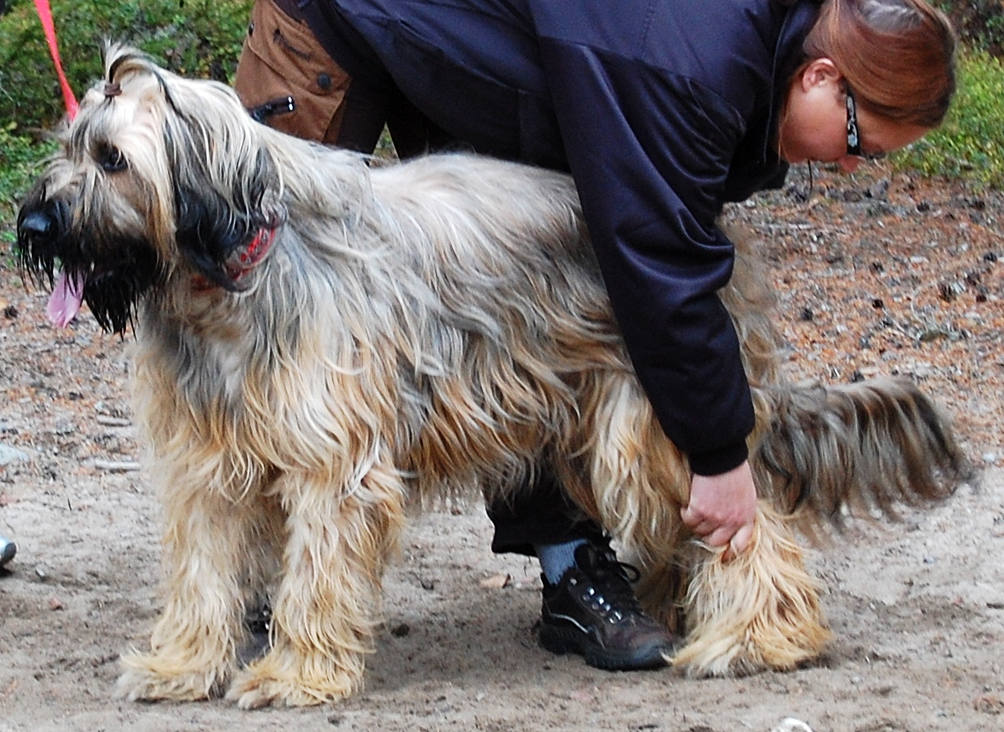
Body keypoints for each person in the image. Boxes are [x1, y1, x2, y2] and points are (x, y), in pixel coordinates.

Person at [233, 0, 957, 671]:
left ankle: (570, 562)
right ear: (822, 74)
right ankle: (255, 597)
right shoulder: (690, 65)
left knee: (543, 323)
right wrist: (718, 455)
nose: (854, 166)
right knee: (258, 317)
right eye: (862, 140)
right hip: (337, 27)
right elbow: (660, 262)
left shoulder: (739, 53)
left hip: (496, 63)